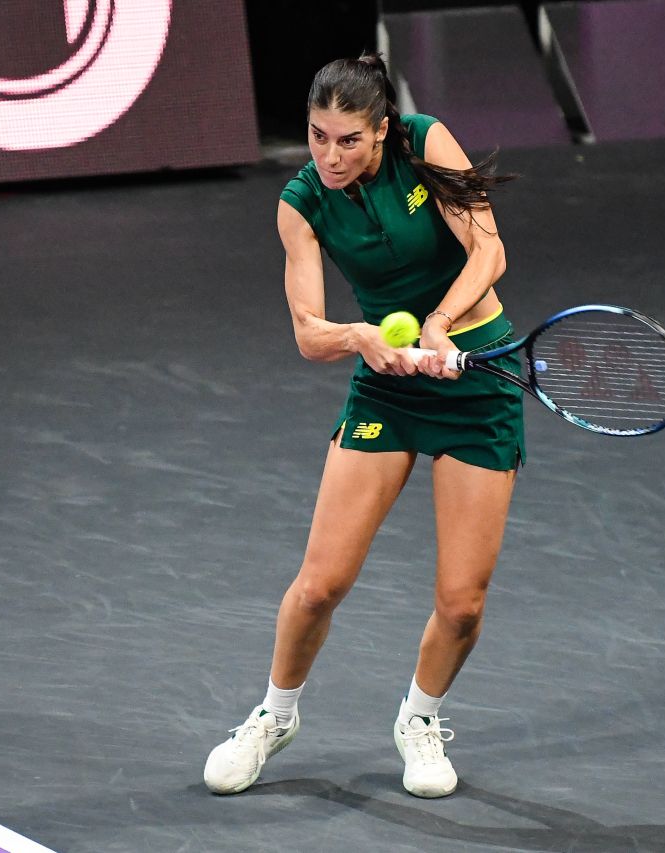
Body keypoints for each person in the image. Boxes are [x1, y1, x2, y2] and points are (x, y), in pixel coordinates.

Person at [203, 52, 523, 799]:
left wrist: (439, 324)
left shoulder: (424, 141)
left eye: (348, 140)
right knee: (320, 585)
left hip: (476, 382)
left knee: (462, 602)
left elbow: (489, 249)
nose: (331, 155)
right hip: (387, 389)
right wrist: (362, 336)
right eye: (318, 137)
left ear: (381, 130)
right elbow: (309, 333)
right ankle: (274, 716)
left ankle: (419, 719)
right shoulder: (300, 202)